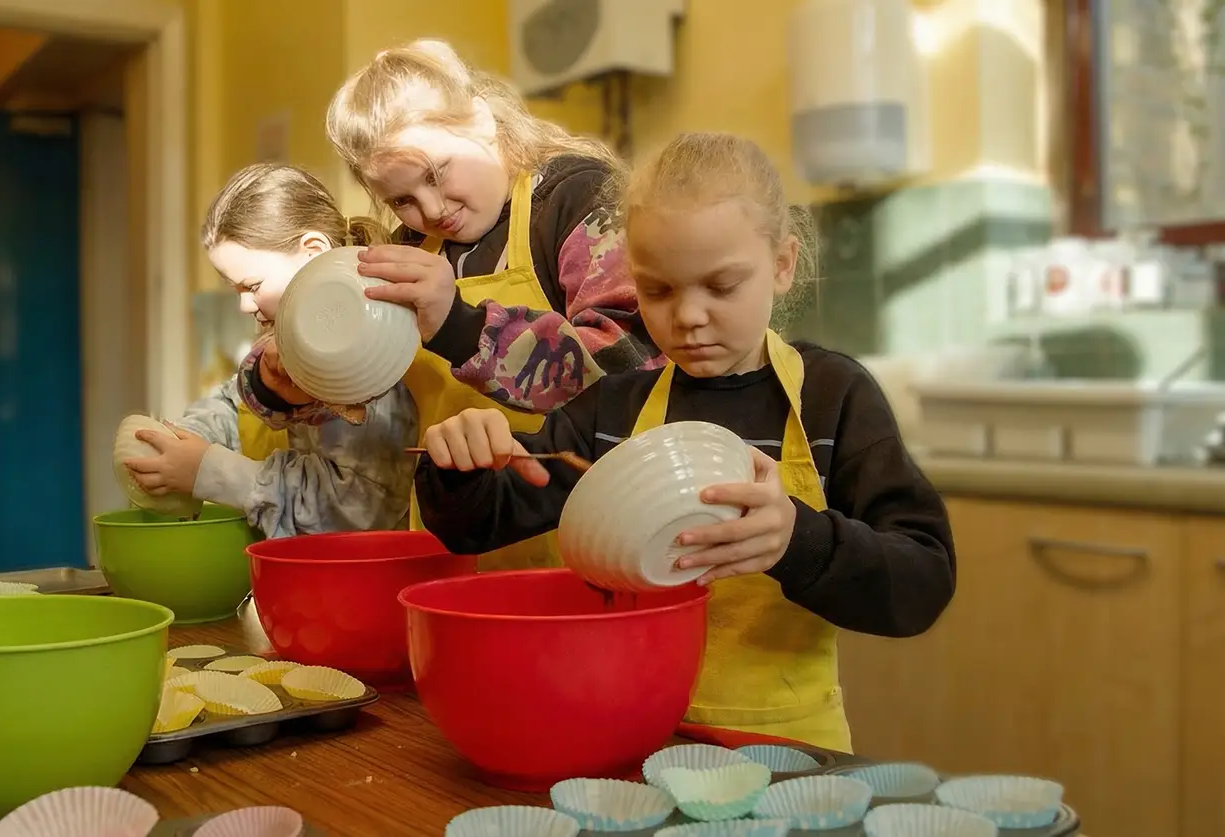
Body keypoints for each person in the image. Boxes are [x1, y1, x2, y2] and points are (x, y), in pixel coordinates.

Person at [411, 132, 956, 751]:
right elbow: (478, 524)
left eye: (720, 287)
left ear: (782, 265)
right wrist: (459, 466)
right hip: (629, 736)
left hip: (786, 754)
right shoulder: (614, 407)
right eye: (659, 290)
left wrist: (796, 539)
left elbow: (921, 584)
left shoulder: (832, 399)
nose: (688, 317)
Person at [236, 38, 664, 569]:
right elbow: (358, 392)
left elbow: (630, 372)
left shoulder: (576, 201)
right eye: (401, 199)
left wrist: (459, 327)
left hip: (588, 540)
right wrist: (284, 376)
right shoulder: (412, 250)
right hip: (457, 543)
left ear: (482, 121)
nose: (432, 209)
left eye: (437, 173)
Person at [121, 163, 417, 538]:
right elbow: (234, 406)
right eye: (235, 290)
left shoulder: (370, 348)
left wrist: (209, 472)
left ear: (312, 252)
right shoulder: (282, 340)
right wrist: (179, 440)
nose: (245, 306)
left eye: (253, 285)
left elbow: (356, 510)